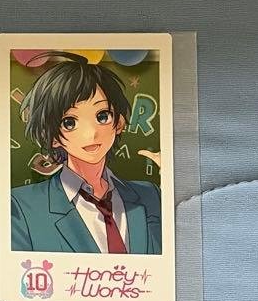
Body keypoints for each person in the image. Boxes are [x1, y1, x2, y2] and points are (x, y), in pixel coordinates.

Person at [10, 53, 162, 254]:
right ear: (52, 136)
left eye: (102, 116)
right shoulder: (21, 206)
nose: (91, 133)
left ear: (119, 123)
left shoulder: (150, 195)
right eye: (69, 122)